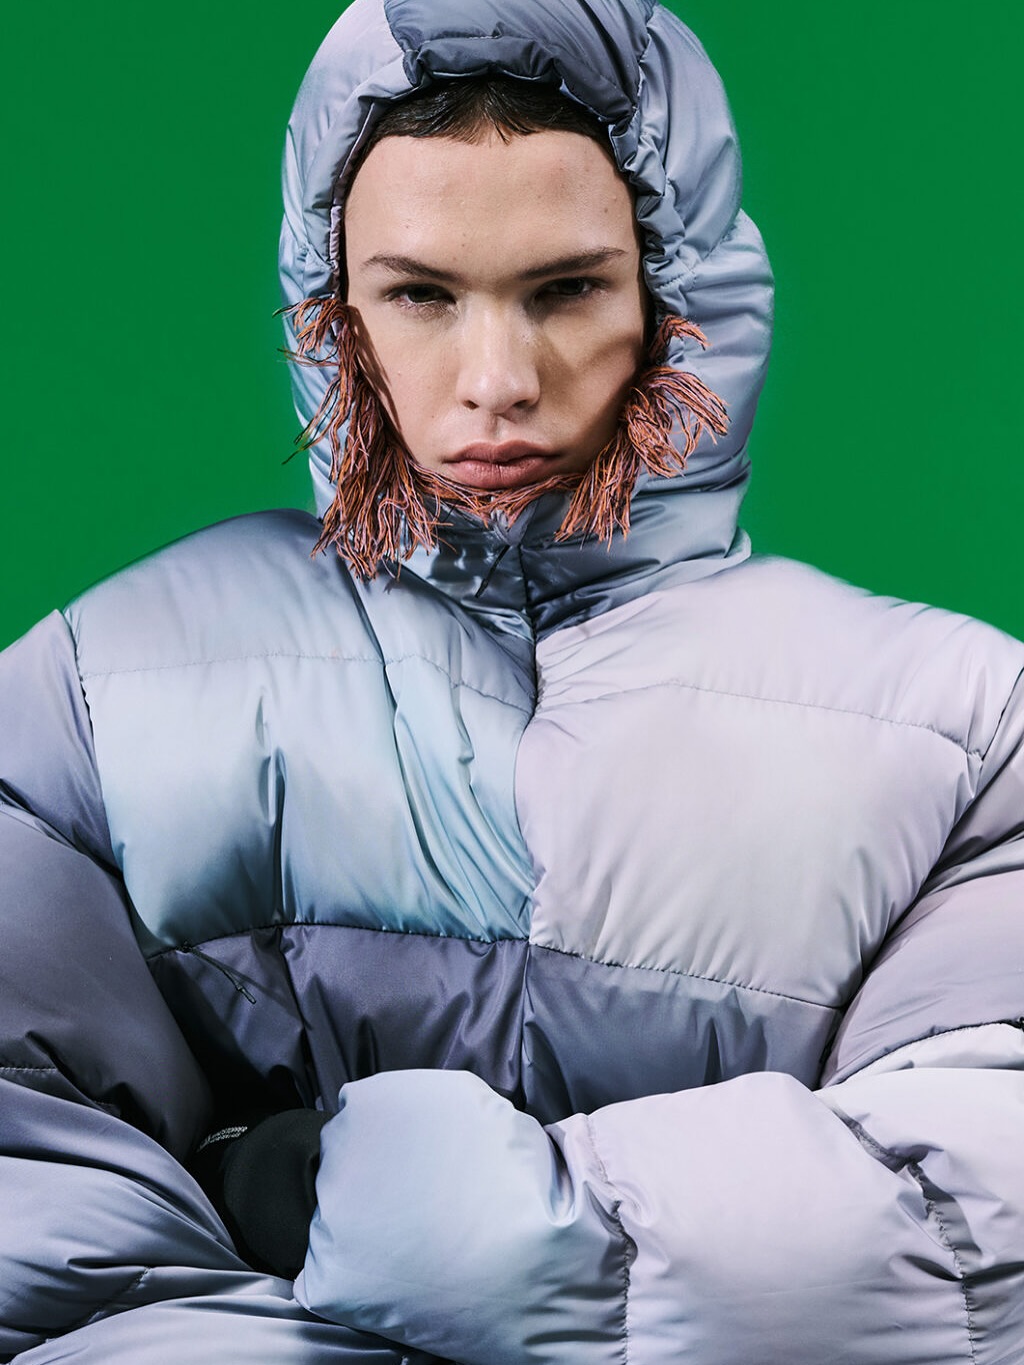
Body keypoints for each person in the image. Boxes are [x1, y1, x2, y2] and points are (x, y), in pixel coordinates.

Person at [1, 2, 1023, 1362]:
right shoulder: (92, 699)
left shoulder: (970, 732)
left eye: (567, 290)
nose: (497, 381)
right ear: (334, 306)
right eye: (421, 295)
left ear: (677, 291)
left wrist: (345, 1197)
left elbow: (967, 1224)